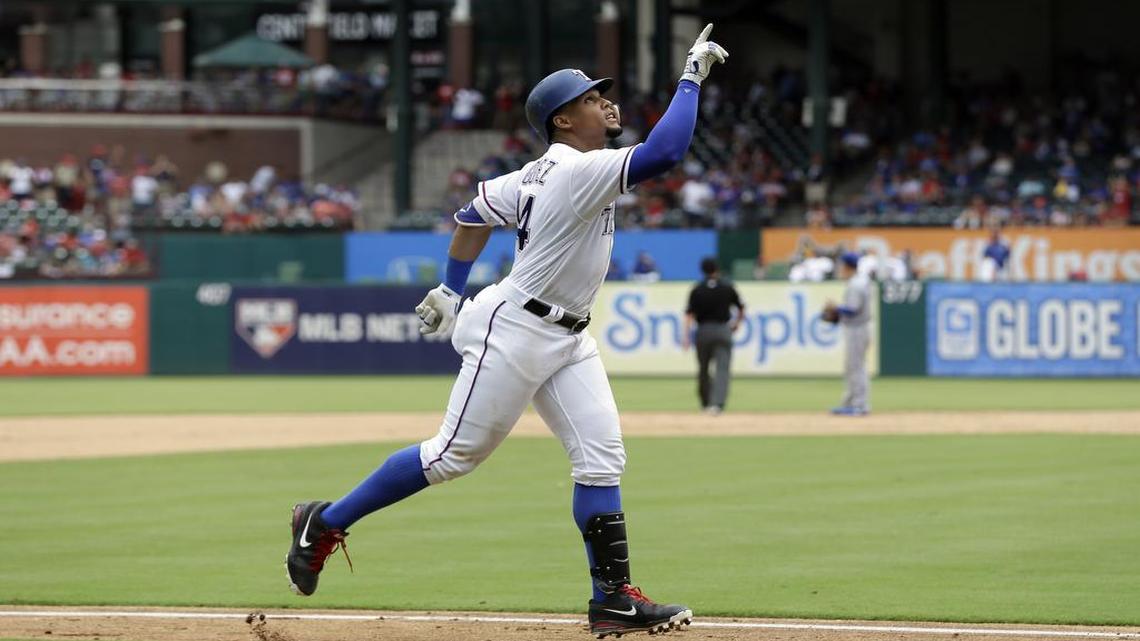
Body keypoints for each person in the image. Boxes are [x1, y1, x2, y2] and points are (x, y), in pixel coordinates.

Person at [285, 24, 729, 640]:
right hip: (516, 328)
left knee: (601, 460)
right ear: (563, 122)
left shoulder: (534, 173)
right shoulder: (577, 170)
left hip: (569, 336)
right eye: (589, 97)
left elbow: (472, 213)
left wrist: (449, 284)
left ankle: (613, 600)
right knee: (450, 457)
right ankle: (323, 522)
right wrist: (689, 79)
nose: (604, 101)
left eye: (601, 93)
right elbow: (664, 154)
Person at [682, 257, 744, 415]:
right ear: (717, 269)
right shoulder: (727, 286)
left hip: (703, 331)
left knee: (703, 369)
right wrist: (737, 323)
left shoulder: (697, 289)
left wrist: (687, 336)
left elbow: (689, 315)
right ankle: (717, 405)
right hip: (723, 330)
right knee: (722, 369)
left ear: (702, 270)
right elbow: (741, 307)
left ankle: (705, 403)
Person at [825, 252, 872, 416]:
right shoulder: (859, 281)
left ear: (847, 267)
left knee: (856, 367)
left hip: (857, 328)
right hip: (858, 328)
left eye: (842, 265)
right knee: (853, 366)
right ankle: (852, 403)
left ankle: (859, 405)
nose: (840, 269)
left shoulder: (856, 284)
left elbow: (853, 309)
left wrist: (836, 308)